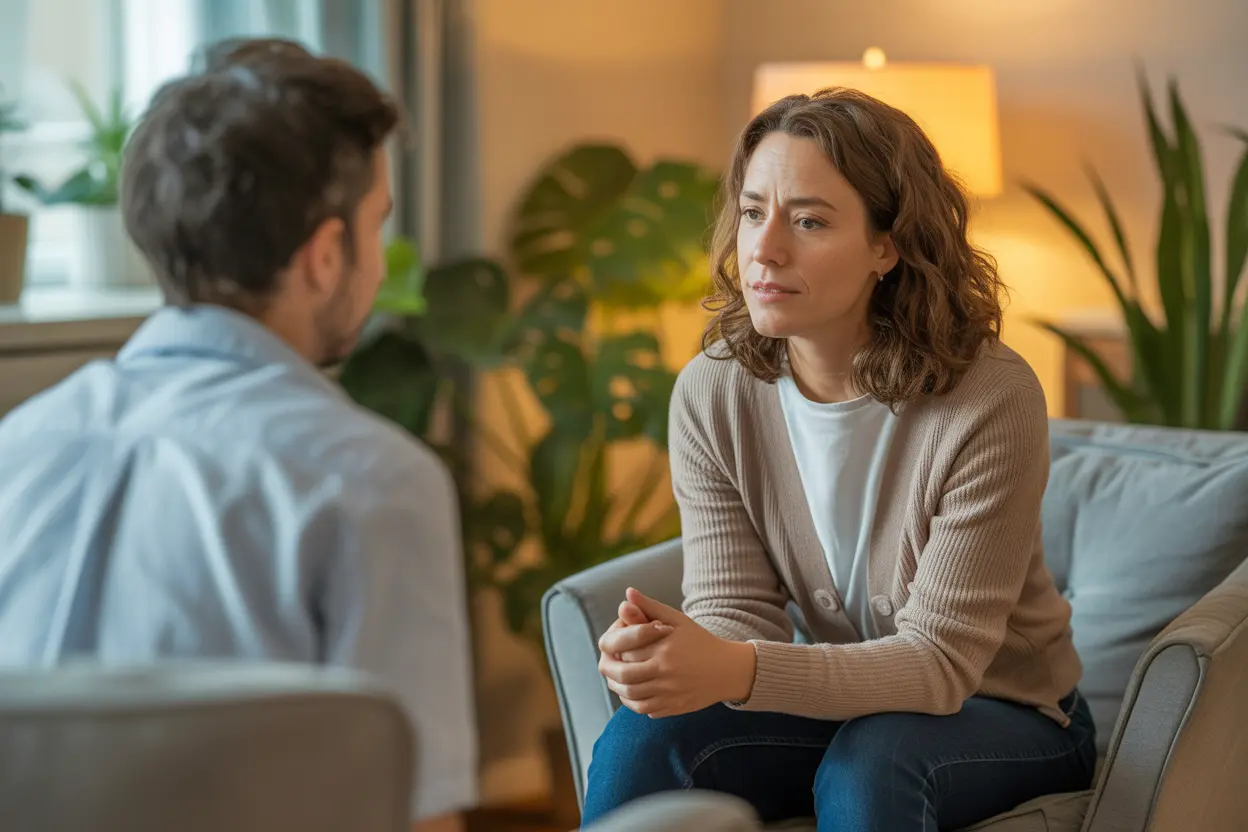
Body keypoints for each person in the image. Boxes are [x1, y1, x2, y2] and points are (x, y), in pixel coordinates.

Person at [583, 88, 1097, 831]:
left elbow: (939, 664)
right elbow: (735, 613)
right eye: (754, 212)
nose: (764, 249)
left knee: (875, 760)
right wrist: (676, 653)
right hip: (840, 708)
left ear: (887, 246)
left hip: (1007, 712)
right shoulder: (713, 389)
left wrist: (736, 669)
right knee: (645, 738)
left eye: (810, 221)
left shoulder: (989, 397)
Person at [0, 39, 476, 832]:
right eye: (375, 227)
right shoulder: (371, 481)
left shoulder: (18, 446)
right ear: (325, 256)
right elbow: (414, 818)